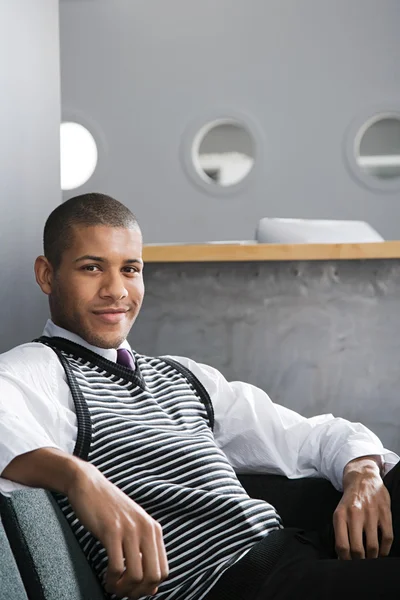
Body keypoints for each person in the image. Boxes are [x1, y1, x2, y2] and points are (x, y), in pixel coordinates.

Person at [0, 192, 399, 600]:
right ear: (48, 275)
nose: (116, 290)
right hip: (243, 586)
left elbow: (311, 437)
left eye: (130, 269)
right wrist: (80, 478)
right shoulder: (43, 370)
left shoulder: (184, 375)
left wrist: (364, 473)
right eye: (91, 268)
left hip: (296, 554)